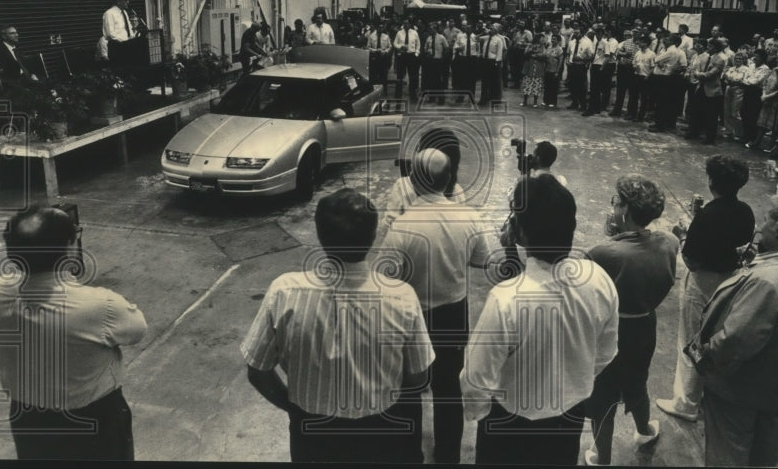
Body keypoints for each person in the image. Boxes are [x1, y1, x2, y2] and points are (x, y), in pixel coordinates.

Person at [241, 188, 434, 463]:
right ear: (372, 237)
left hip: (312, 432)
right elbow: (419, 377)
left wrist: (292, 407)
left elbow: (257, 370)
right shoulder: (401, 297)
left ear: (320, 236)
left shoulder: (284, 292)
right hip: (381, 431)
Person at [461, 175, 619, 466]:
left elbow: (476, 377)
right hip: (569, 419)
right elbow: (605, 353)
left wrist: (479, 413)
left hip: (510, 425)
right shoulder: (599, 280)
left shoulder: (506, 299)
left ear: (520, 233)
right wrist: (571, 381)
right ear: (571, 227)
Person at [0, 206, 147, 460]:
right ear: (69, 248)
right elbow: (137, 330)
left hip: (27, 418)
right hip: (92, 421)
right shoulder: (99, 305)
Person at [382, 149, 504, 464]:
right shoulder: (470, 216)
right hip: (453, 313)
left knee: (409, 385)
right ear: (448, 179)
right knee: (448, 386)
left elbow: (385, 279)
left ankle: (410, 453)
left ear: (415, 181)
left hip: (412, 316)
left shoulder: (402, 227)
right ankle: (448, 454)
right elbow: (484, 259)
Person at [692, 195, 778, 467]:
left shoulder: (767, 283)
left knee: (727, 452)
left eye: (768, 217)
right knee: (764, 451)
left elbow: (735, 339)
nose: (762, 223)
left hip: (740, 391)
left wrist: (706, 356)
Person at [655, 156, 756, 423]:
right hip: (731, 279)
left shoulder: (707, 215)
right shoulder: (745, 211)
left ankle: (686, 401)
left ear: (712, 181)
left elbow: (691, 259)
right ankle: (703, 392)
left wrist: (683, 234)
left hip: (703, 280)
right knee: (714, 337)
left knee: (690, 339)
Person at [585, 176, 677, 465]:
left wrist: (613, 239)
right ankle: (645, 430)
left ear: (624, 210)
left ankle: (602, 456)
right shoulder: (670, 242)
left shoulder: (603, 252)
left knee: (603, 394)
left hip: (611, 331)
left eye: (616, 202)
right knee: (638, 382)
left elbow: (587, 295)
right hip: (645, 325)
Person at [686, 37, 727, 144]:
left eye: (710, 46)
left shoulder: (720, 59)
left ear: (715, 47)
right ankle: (694, 132)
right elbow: (699, 69)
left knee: (711, 116)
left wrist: (697, 74)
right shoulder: (706, 57)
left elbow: (710, 75)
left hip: (712, 90)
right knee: (695, 111)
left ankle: (710, 138)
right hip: (701, 87)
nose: (708, 48)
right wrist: (698, 73)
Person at [609, 29, 639, 118]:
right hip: (623, 67)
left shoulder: (641, 44)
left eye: (638, 33)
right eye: (634, 33)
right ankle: (617, 110)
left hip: (633, 69)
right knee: (620, 90)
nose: (636, 35)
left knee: (632, 92)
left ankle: (631, 112)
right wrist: (624, 54)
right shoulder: (627, 42)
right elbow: (617, 52)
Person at [102, 0, 136, 66]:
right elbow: (110, 34)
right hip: (117, 47)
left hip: (127, 46)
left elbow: (129, 28)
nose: (128, 2)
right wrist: (124, 43)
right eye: (125, 0)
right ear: (118, 2)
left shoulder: (124, 12)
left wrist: (132, 38)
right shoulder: (109, 14)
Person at [627, 34, 655, 122]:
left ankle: (640, 116)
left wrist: (647, 76)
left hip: (645, 78)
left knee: (644, 98)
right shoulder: (638, 52)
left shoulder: (651, 54)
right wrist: (635, 66)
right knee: (633, 96)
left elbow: (653, 67)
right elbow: (634, 62)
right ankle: (632, 114)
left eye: (641, 42)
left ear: (646, 43)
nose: (638, 43)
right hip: (636, 76)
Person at [566, 25, 594, 111]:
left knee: (581, 87)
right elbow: (568, 53)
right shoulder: (572, 42)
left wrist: (582, 58)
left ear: (582, 33)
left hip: (581, 66)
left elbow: (591, 56)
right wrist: (567, 61)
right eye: (574, 32)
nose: (575, 34)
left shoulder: (587, 42)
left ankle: (583, 105)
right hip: (571, 65)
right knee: (572, 85)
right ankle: (574, 103)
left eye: (577, 33)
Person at [478, 23, 506, 105]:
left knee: (494, 82)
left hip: (493, 61)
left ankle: (495, 100)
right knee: (484, 81)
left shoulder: (499, 39)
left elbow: (500, 52)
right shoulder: (486, 38)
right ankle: (483, 99)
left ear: (496, 30)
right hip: (485, 61)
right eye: (490, 28)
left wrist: (497, 62)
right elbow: (476, 39)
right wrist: (483, 32)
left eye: (493, 28)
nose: (491, 30)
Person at [394, 19, 421, 101]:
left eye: (408, 23)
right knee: (400, 76)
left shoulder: (414, 33)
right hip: (402, 56)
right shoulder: (399, 33)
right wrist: (400, 47)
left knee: (412, 76)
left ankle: (412, 95)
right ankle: (398, 95)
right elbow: (395, 43)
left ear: (410, 24)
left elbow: (418, 44)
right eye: (405, 23)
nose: (406, 25)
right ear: (403, 24)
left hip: (411, 56)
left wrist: (416, 53)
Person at [520, 33, 546, 107]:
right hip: (529, 67)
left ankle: (535, 102)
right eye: (542, 38)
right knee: (527, 83)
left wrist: (535, 55)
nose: (543, 40)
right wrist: (532, 51)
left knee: (537, 84)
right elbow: (525, 53)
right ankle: (525, 101)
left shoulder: (543, 46)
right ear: (538, 39)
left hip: (538, 67)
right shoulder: (530, 45)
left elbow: (544, 55)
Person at [366, 21, 393, 90]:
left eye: (382, 27)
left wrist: (385, 51)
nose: (380, 29)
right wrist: (375, 50)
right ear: (376, 28)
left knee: (383, 74)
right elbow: (368, 47)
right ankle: (375, 90)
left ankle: (384, 90)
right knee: (374, 74)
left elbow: (389, 46)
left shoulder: (386, 36)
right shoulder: (371, 36)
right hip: (374, 57)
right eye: (379, 27)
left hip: (383, 57)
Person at [542, 33, 564, 108]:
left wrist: (557, 71)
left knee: (553, 87)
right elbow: (545, 56)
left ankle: (553, 102)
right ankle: (545, 101)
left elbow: (560, 61)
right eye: (552, 39)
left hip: (554, 70)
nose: (552, 40)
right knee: (546, 86)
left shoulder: (559, 49)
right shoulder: (549, 47)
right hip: (547, 69)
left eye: (554, 39)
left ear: (558, 41)